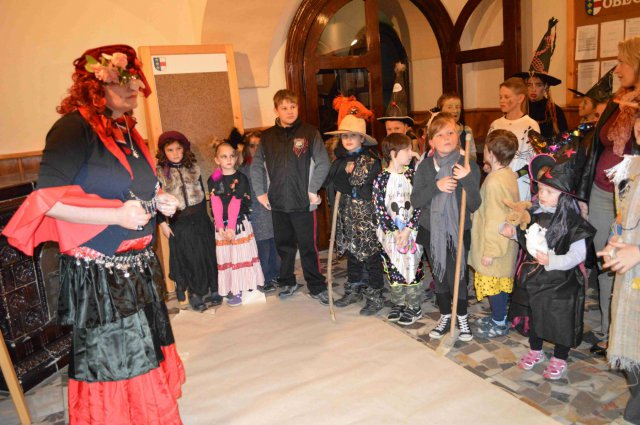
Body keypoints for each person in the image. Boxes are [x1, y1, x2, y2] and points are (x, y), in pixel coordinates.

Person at [2, 45, 184, 423]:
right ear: (96, 84)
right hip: (100, 271)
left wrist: (159, 199)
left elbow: (135, 186)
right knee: (116, 357)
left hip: (137, 263)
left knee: (144, 345)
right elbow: (45, 201)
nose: (134, 88)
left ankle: (147, 412)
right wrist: (116, 215)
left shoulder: (128, 129)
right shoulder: (73, 128)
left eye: (135, 80)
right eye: (123, 80)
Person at [501, 151, 595, 380]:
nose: (541, 195)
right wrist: (511, 232)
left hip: (563, 283)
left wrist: (553, 261)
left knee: (560, 319)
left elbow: (578, 255)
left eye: (549, 192)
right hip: (536, 278)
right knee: (535, 314)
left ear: (564, 196)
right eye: (541, 189)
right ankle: (536, 350)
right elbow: (525, 237)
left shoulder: (573, 222)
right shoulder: (533, 214)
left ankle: (560, 356)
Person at [583, 36, 640, 357]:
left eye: (622, 63)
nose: (617, 70)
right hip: (601, 192)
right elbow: (597, 143)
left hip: (630, 198)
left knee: (628, 265)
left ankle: (627, 334)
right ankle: (608, 331)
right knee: (607, 263)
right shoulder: (619, 100)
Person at [250, 89, 330, 303]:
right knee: (284, 246)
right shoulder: (267, 137)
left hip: (304, 203)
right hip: (277, 203)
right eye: (284, 108)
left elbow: (323, 163)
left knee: (308, 247)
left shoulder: (310, 132)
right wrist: (261, 193)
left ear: (298, 108)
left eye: (293, 107)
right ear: (276, 110)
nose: (289, 111)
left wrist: (313, 189)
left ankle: (316, 285)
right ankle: (287, 281)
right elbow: (256, 166)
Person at [411, 113, 481, 341]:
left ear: (458, 136)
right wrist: (437, 186)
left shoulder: (468, 165)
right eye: (439, 135)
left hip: (459, 230)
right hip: (432, 230)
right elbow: (416, 200)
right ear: (431, 141)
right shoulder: (424, 167)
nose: (446, 138)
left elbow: (475, 204)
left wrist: (467, 179)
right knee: (440, 275)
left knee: (458, 276)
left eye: (450, 132)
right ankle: (445, 315)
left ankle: (461, 316)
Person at [325, 115, 384, 315]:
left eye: (353, 135)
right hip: (347, 216)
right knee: (352, 254)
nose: (348, 139)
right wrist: (345, 175)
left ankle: (376, 295)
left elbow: (355, 183)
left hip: (366, 218)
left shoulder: (370, 160)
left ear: (362, 139)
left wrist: (347, 177)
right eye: (345, 136)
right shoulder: (340, 161)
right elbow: (333, 183)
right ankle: (354, 289)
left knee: (371, 256)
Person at [156, 130, 220, 311]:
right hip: (179, 221)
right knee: (189, 257)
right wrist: (162, 223)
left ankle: (214, 287)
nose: (176, 153)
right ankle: (195, 292)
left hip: (200, 217)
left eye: (178, 149)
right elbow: (156, 200)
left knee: (208, 253)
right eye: (170, 150)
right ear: (163, 152)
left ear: (184, 149)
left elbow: (205, 189)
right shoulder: (160, 173)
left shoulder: (193, 167)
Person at [597, 154, 640, 424]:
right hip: (631, 279)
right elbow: (623, 214)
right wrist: (615, 237)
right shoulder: (631, 166)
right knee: (631, 349)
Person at [468, 130, 520, 338]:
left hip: (495, 245)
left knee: (494, 284)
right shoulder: (507, 174)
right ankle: (500, 316)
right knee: (500, 282)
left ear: (490, 153)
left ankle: (499, 322)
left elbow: (494, 219)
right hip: (506, 244)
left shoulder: (494, 182)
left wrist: (490, 251)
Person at [373, 133, 424, 325]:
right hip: (391, 234)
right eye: (407, 150)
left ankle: (414, 306)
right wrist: (395, 232)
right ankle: (399, 303)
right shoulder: (381, 179)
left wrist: (408, 229)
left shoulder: (413, 175)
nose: (411, 153)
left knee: (412, 267)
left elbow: (419, 205)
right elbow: (379, 209)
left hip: (412, 233)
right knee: (394, 267)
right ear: (394, 153)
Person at [208, 141, 264, 306]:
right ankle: (235, 288)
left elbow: (235, 203)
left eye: (232, 156)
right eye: (224, 156)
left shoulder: (241, 178)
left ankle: (246, 287)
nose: (229, 159)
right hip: (222, 226)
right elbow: (215, 202)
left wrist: (231, 228)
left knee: (242, 255)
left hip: (238, 223)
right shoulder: (214, 178)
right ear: (217, 160)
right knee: (229, 257)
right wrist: (220, 226)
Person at [239, 130, 280, 293]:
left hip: (273, 211)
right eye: (252, 146)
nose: (256, 149)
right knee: (263, 249)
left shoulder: (271, 164)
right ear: (246, 148)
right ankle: (264, 278)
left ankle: (277, 274)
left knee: (275, 245)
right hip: (256, 213)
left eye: (259, 145)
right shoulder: (243, 169)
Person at [488, 77, 540, 201]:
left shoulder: (530, 125)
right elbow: (488, 153)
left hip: (519, 184)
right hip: (496, 182)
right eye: (500, 97)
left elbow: (534, 161)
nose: (502, 100)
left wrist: (516, 174)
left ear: (520, 98)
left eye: (506, 97)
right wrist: (487, 164)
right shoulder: (495, 124)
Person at [514, 17, 568, 138]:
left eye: (538, 85)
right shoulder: (519, 109)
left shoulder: (555, 112)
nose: (533, 89)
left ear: (545, 87)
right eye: (529, 84)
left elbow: (563, 139)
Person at [436, 92, 477, 160]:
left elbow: (474, 158)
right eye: (450, 107)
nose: (455, 110)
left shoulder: (466, 131)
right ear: (440, 110)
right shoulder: (435, 130)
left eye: (458, 107)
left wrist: (461, 152)